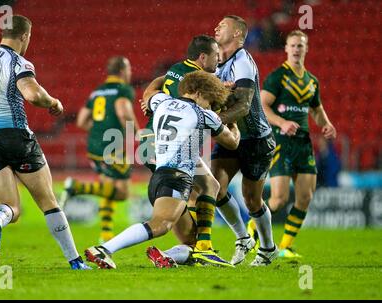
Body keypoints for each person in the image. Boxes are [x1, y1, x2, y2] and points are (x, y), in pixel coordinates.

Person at [0, 15, 90, 270]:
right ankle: (75, 262)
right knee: (48, 201)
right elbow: (33, 94)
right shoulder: (17, 61)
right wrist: (53, 103)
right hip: (16, 138)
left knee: (11, 207)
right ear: (25, 36)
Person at [84, 71, 240, 269]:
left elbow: (150, 91)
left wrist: (166, 77)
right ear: (199, 93)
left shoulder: (162, 102)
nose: (210, 105)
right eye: (209, 99)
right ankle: (104, 249)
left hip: (159, 176)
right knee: (160, 225)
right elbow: (232, 143)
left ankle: (167, 255)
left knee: (191, 240)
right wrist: (233, 122)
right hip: (176, 178)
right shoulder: (204, 114)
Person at [141, 35, 233, 267]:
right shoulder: (198, 80)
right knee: (206, 187)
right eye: (215, 56)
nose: (219, 60)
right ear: (202, 57)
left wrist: (147, 97)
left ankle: (187, 249)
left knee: (199, 191)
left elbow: (156, 85)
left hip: (150, 140)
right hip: (167, 143)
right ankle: (209, 244)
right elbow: (215, 119)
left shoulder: (176, 69)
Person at [254, 30, 336, 258]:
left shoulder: (312, 81)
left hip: (303, 143)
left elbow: (316, 109)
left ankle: (285, 247)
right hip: (281, 142)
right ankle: (252, 233)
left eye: (301, 45)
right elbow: (262, 105)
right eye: (293, 45)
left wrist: (326, 124)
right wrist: (282, 122)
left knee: (305, 197)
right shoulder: (278, 76)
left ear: (306, 49)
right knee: (279, 199)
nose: (297, 49)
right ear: (286, 49)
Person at [212, 15, 278, 266]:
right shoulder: (215, 64)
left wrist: (212, 121)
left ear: (238, 34)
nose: (217, 27)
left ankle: (268, 248)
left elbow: (244, 106)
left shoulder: (243, 62)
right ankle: (243, 238)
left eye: (223, 25)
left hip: (256, 139)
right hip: (231, 136)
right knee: (215, 187)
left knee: (251, 199)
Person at [59, 56, 138, 243]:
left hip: (94, 145)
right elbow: (123, 112)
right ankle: (77, 187)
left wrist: (99, 130)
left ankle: (106, 234)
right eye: (128, 70)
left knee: (107, 188)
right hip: (113, 146)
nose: (130, 73)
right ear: (122, 71)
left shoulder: (97, 92)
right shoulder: (123, 89)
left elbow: (81, 120)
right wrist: (136, 132)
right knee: (123, 193)